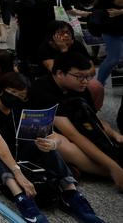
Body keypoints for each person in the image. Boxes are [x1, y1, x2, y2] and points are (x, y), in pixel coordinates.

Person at [0, 71, 104, 223]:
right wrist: (18, 173)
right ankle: (20, 197)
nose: (16, 97)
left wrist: (52, 143)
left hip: (14, 156)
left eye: (21, 95)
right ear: (1, 89)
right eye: (12, 92)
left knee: (43, 145)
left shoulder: (18, 109)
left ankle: (71, 192)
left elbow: (51, 135)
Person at [30, 52, 123, 191]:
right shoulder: (41, 90)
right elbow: (73, 135)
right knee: (59, 144)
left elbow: (94, 120)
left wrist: (115, 134)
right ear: (60, 73)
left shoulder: (79, 87)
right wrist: (112, 167)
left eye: (88, 76)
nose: (85, 81)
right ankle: (109, 172)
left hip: (74, 130)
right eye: (80, 77)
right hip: (42, 137)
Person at [93, 0, 123, 85]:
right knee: (113, 58)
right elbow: (121, 1)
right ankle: (99, 84)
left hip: (120, 22)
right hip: (111, 26)